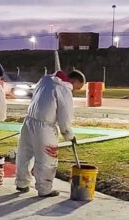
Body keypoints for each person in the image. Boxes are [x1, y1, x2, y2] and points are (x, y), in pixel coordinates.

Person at [15, 69, 86, 197]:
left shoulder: (45, 80)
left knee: (25, 154)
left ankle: (22, 183)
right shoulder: (64, 89)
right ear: (74, 81)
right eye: (77, 88)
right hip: (45, 127)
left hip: (29, 122)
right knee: (47, 158)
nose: (74, 91)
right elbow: (65, 116)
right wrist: (69, 134)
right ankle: (44, 189)